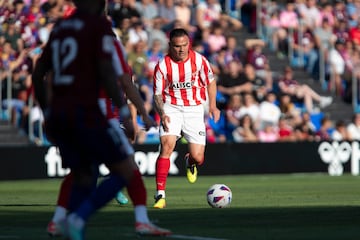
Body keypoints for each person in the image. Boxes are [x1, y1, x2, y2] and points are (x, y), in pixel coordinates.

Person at [32, 1, 171, 239]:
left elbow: (39, 74)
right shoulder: (100, 30)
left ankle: (61, 222)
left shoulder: (61, 29)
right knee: (126, 169)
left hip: (61, 114)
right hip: (91, 113)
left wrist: (48, 112)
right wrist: (128, 112)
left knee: (83, 174)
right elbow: (116, 77)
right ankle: (93, 218)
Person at [152, 28, 220, 209]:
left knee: (198, 157)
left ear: (188, 43)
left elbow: (211, 82)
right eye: (177, 46)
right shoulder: (162, 65)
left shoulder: (199, 61)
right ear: (170, 46)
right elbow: (157, 95)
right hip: (171, 108)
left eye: (184, 45)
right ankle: (160, 195)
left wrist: (212, 105)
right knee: (167, 146)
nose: (181, 50)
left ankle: (190, 162)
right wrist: (162, 113)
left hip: (194, 109)